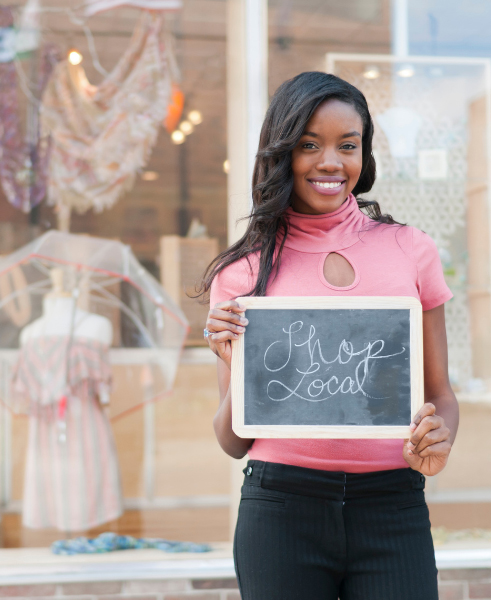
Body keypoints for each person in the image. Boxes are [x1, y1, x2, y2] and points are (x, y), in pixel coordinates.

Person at [200, 72, 459, 600]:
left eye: (348, 145)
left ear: (364, 155)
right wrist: (233, 357)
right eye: (309, 145)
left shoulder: (411, 250)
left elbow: (441, 395)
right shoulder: (242, 274)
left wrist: (440, 440)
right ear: (281, 153)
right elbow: (233, 442)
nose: (330, 163)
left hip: (392, 506)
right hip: (281, 511)